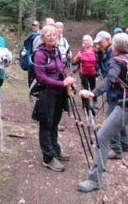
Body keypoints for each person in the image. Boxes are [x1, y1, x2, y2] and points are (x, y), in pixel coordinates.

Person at [77, 33, 128, 198]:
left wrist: (92, 93)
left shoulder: (117, 60)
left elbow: (109, 79)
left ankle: (94, 180)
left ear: (115, 47)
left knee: (102, 137)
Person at [32, 25, 76, 172]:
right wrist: (61, 83)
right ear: (43, 37)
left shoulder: (56, 50)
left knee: (55, 122)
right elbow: (41, 78)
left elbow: (61, 68)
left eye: (54, 35)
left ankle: (55, 149)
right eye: (49, 35)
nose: (52, 37)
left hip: (59, 93)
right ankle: (48, 157)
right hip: (47, 93)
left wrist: (68, 78)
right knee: (46, 123)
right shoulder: (39, 54)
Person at [94, 30, 128, 160]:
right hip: (119, 92)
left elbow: (110, 77)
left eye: (99, 42)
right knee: (119, 119)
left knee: (112, 119)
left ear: (108, 40)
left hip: (115, 92)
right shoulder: (108, 52)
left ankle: (116, 148)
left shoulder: (113, 55)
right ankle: (125, 144)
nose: (98, 45)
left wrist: (95, 93)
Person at [72, 35, 98, 107]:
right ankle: (85, 103)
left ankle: (95, 101)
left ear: (90, 41)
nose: (86, 42)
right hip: (83, 71)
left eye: (87, 40)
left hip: (92, 71)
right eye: (84, 40)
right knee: (85, 87)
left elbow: (98, 61)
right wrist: (77, 56)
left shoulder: (95, 51)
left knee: (93, 87)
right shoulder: (81, 50)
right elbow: (74, 62)